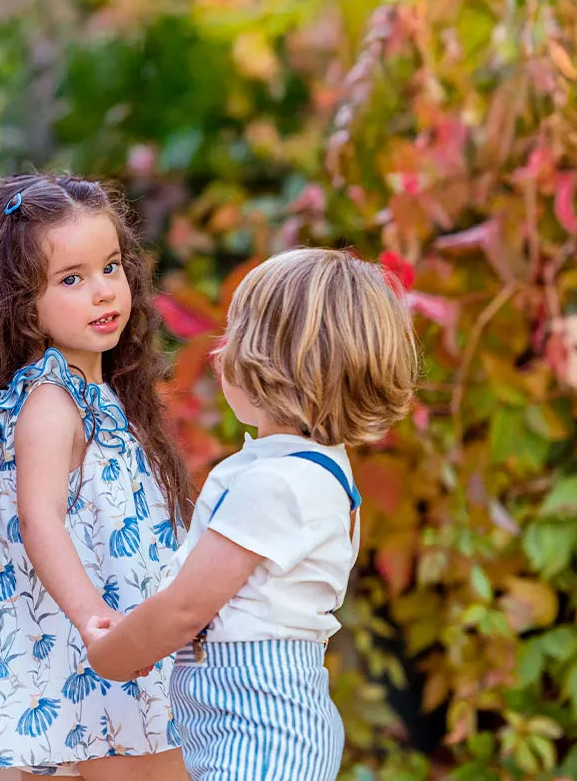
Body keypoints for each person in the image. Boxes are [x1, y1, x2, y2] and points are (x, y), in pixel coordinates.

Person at [0, 174, 192, 779]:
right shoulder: (51, 402)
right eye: (71, 279)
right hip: (88, 639)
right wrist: (94, 619)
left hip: (112, 633)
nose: (103, 292)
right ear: (21, 303)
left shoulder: (97, 391)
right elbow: (39, 519)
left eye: (110, 267)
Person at [80, 247, 419, 780]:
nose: (219, 353)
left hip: (259, 728)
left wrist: (114, 653)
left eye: (235, 336)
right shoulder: (304, 469)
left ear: (276, 364)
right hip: (256, 722)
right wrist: (152, 635)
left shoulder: (278, 483)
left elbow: (188, 608)